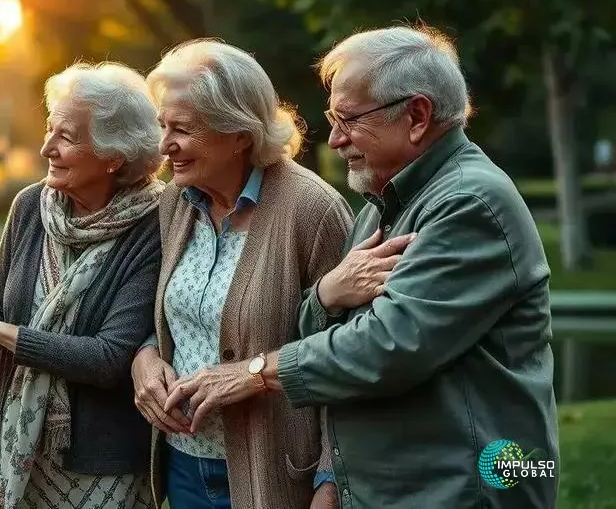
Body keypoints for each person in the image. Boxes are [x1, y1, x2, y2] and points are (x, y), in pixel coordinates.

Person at [170, 26, 559, 508]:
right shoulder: (383, 203)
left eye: (349, 119)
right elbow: (319, 331)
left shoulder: (469, 203)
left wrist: (253, 372)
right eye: (334, 118)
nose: (333, 139)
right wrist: (326, 296)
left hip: (459, 488)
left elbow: (388, 346)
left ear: (417, 116)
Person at [0, 61, 165, 509]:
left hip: (101, 468)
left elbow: (109, 359)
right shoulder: (30, 206)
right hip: (11, 449)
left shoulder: (154, 225)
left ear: (113, 156)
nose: (46, 147)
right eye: (49, 130)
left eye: (66, 137)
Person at [131, 38, 358, 509]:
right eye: (162, 126)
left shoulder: (312, 209)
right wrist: (145, 358)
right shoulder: (176, 200)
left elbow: (350, 350)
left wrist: (330, 483)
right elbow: (170, 314)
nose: (164, 145)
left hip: (278, 473)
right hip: (183, 465)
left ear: (239, 134)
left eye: (183, 130)